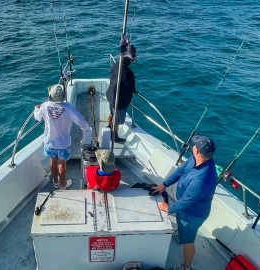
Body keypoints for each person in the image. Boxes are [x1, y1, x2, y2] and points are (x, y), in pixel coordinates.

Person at [152, 135, 218, 270]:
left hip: (192, 215)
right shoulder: (194, 159)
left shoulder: (202, 179)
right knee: (184, 231)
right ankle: (181, 233)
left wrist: (169, 208)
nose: (192, 146)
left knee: (188, 241)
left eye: (195, 145)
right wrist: (164, 185)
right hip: (185, 210)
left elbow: (186, 202)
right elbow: (179, 171)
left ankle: (186, 267)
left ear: (197, 151)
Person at [34, 84, 92, 189]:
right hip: (63, 143)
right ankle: (63, 184)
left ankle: (55, 182)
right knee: (62, 163)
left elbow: (38, 117)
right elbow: (80, 120)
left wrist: (36, 109)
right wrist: (86, 129)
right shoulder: (68, 108)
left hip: (49, 142)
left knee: (53, 160)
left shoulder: (45, 105)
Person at [106, 33, 137, 143]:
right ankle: (114, 136)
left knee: (111, 113)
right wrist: (135, 91)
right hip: (118, 101)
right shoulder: (129, 73)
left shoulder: (115, 65)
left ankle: (108, 126)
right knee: (117, 120)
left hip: (110, 96)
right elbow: (131, 89)